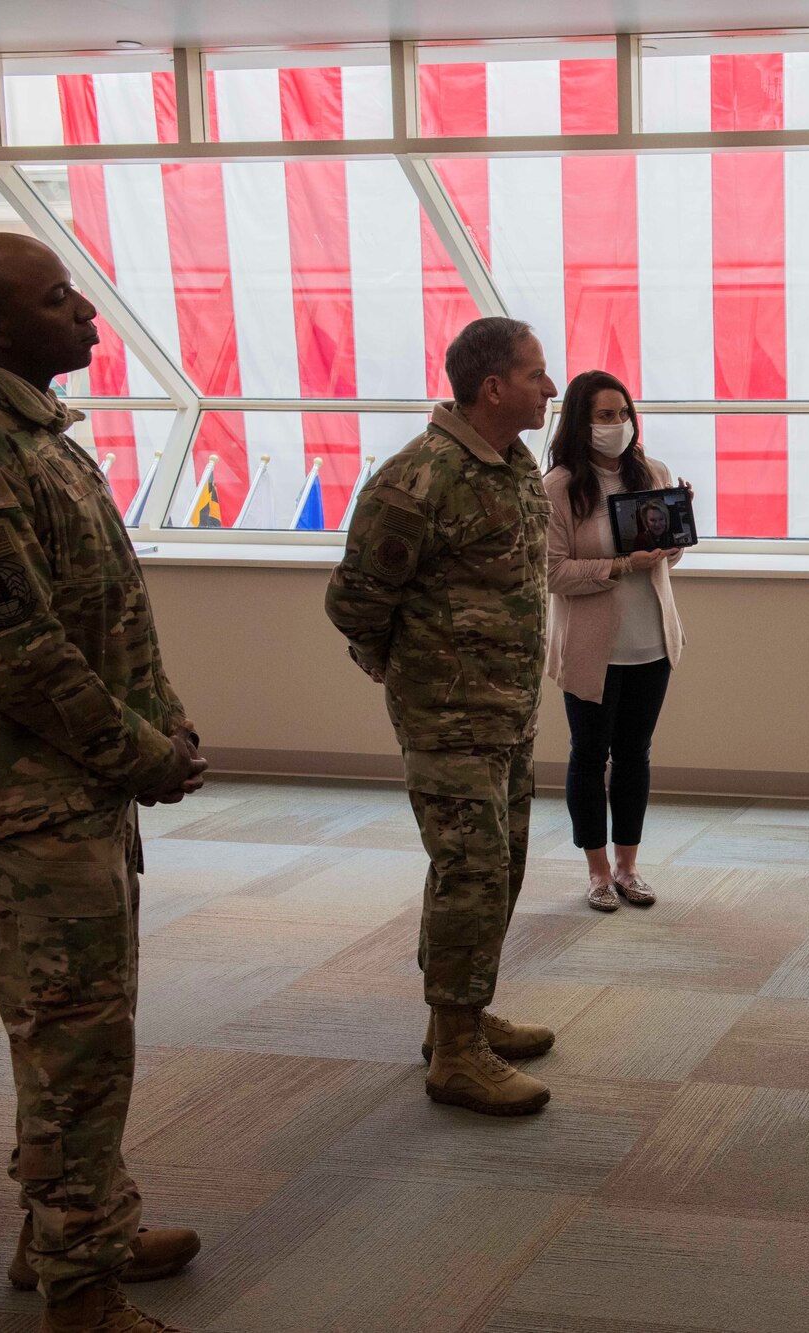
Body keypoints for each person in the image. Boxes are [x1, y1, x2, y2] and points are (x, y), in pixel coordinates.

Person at [0, 234, 208, 1333]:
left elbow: (93, 609)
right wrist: (144, 753)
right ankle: (82, 1288)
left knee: (81, 1024)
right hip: (31, 798)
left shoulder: (24, 431)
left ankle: (69, 1228)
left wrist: (159, 718)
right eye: (57, 299)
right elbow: (19, 656)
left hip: (75, 788)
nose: (88, 315)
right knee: (73, 1035)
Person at [326, 317, 558, 1117]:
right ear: (493, 388)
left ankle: (458, 1013)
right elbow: (354, 602)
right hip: (449, 719)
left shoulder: (512, 464)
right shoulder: (417, 479)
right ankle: (456, 1052)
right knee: (471, 872)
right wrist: (413, 677)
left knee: (501, 870)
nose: (550, 387)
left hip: (509, 715)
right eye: (535, 374)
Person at [540, 370, 686, 913]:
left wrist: (676, 531)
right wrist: (623, 565)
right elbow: (553, 572)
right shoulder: (557, 487)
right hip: (590, 647)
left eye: (622, 414)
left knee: (634, 756)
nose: (616, 425)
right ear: (580, 421)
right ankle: (597, 871)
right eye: (604, 416)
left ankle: (628, 866)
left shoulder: (652, 471)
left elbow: (669, 557)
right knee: (588, 756)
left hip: (651, 641)